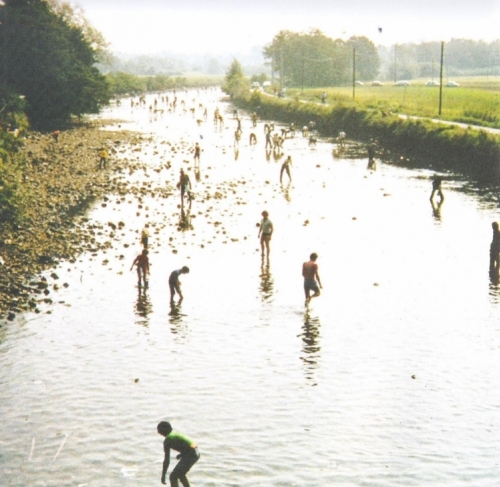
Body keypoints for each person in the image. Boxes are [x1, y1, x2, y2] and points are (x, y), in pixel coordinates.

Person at [157, 421, 200, 487]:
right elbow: (187, 446)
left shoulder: (168, 439)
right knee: (181, 474)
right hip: (196, 452)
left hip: (191, 454)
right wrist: (182, 454)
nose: (158, 432)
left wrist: (163, 475)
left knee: (173, 476)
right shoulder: (174, 434)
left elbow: (167, 460)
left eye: (159, 430)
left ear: (163, 431)